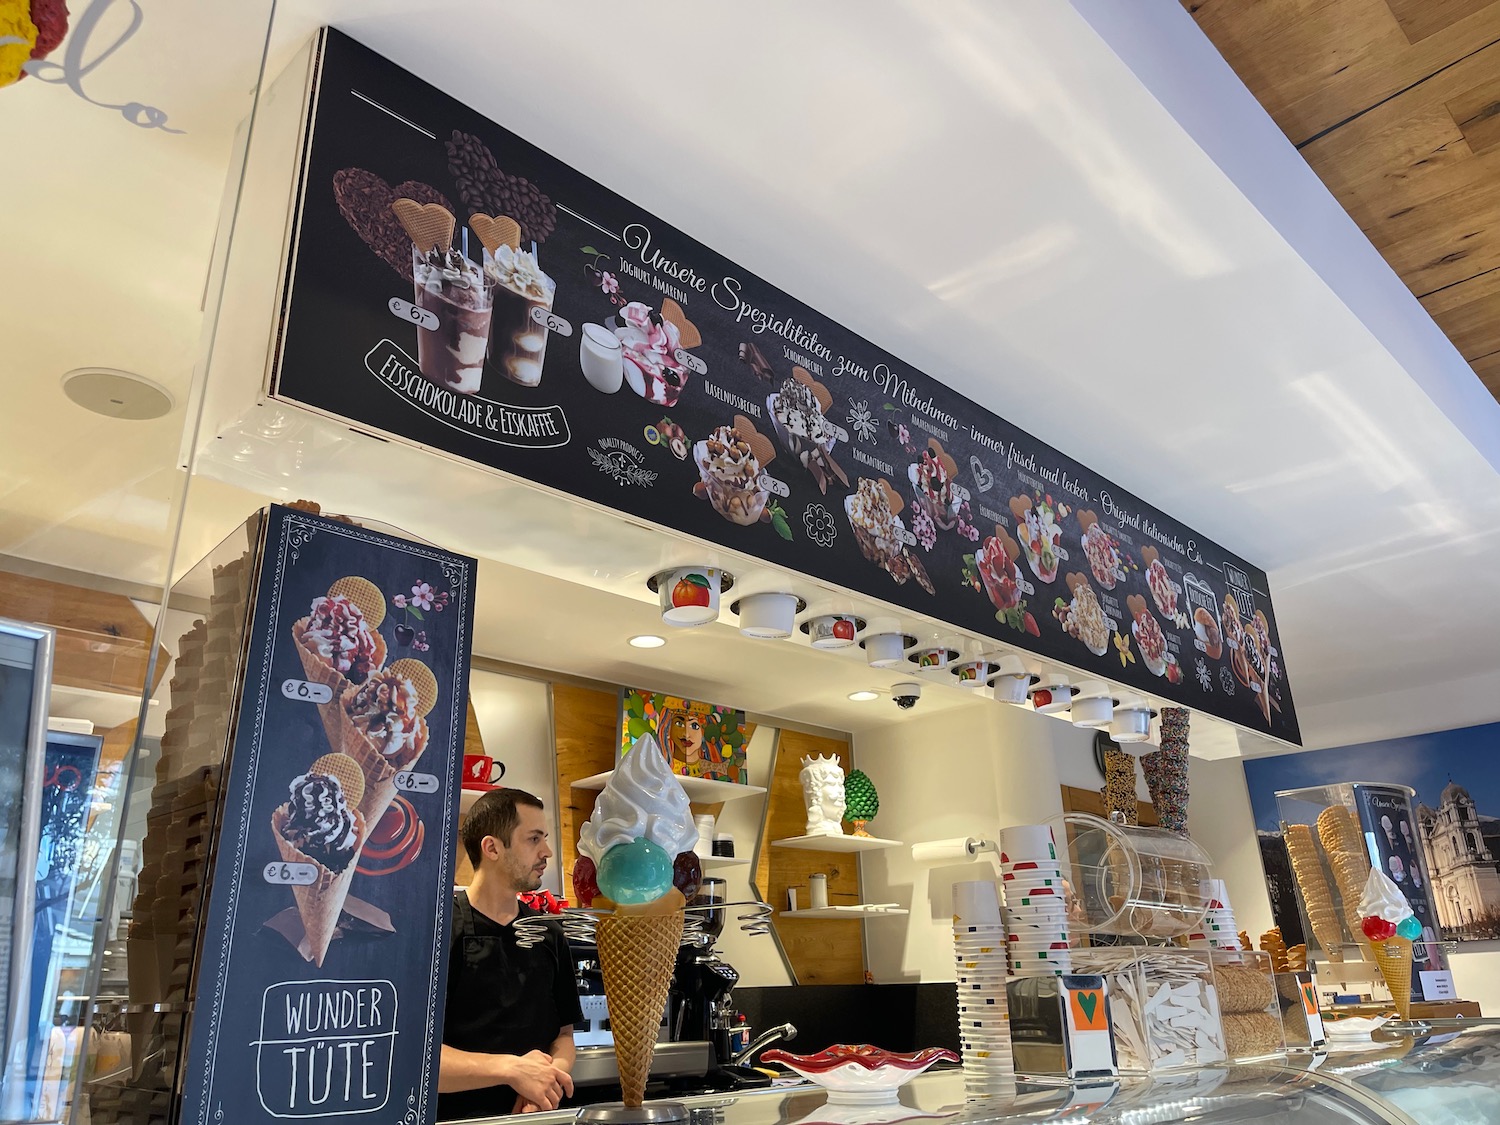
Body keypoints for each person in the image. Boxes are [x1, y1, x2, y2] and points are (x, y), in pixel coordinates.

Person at [438, 788, 582, 1119]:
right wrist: (511, 1070)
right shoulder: (440, 931)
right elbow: (418, 1056)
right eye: (533, 839)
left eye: (544, 838)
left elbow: (563, 1036)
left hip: (537, 1115)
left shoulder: (549, 933)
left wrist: (544, 1087)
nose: (547, 851)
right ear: (492, 848)